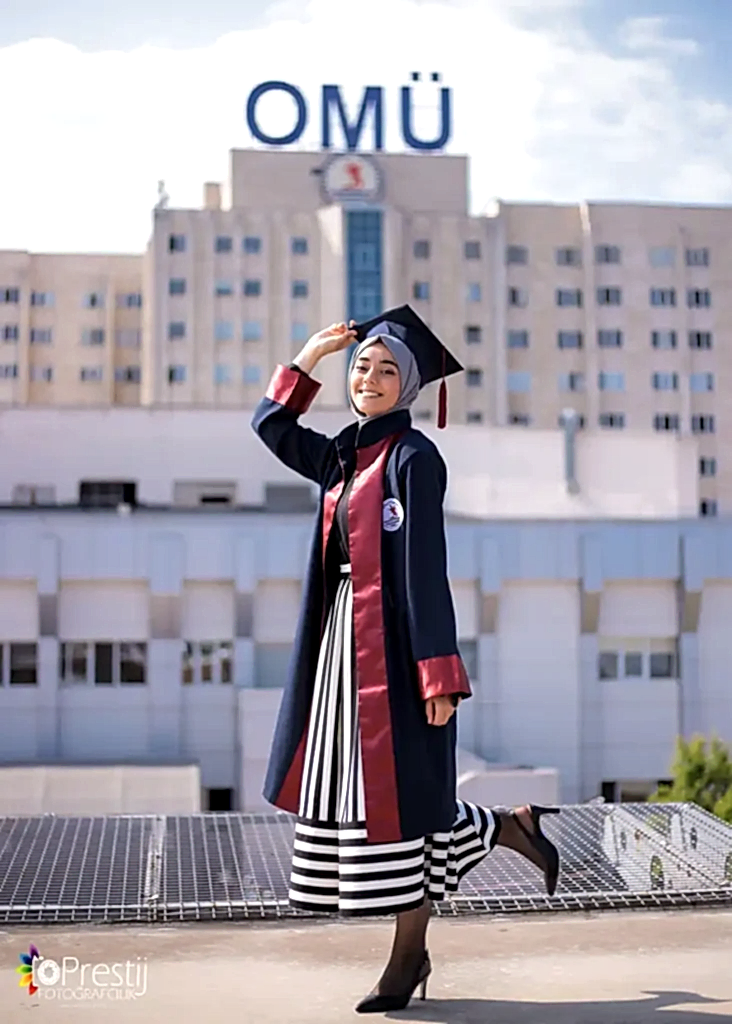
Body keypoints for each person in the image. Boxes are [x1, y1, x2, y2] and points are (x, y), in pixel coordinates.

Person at [251, 305, 561, 1014]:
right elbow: (270, 425)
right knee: (366, 797)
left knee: (405, 808)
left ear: (410, 387)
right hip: (339, 652)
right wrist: (308, 358)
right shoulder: (341, 454)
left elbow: (425, 570)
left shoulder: (416, 459)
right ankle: (508, 827)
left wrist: (438, 675)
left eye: (387, 370)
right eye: (362, 366)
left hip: (392, 656)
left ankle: (405, 960)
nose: (369, 377)